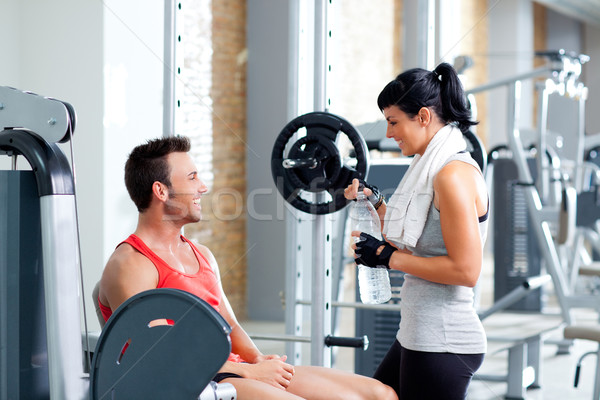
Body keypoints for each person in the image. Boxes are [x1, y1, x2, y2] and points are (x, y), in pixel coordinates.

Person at [98, 136, 397, 400]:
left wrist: (257, 361)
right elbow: (160, 354)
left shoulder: (201, 254)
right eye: (192, 178)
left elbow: (230, 324)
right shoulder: (132, 264)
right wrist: (251, 374)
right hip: (193, 382)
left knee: (379, 394)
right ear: (161, 191)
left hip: (230, 371)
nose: (203, 187)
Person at [344, 62, 488, 399]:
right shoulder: (430, 166)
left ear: (423, 117)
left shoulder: (451, 175)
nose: (389, 133)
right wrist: (375, 202)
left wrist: (387, 258)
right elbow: (420, 241)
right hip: (418, 332)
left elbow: (466, 271)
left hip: (442, 341)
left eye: (394, 122)